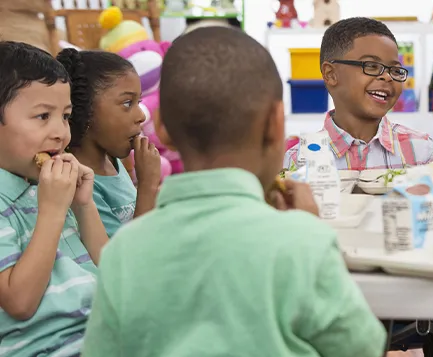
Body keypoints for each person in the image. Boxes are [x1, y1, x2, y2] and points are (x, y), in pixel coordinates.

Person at [81, 27, 387, 357]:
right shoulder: (303, 240)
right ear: (275, 123)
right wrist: (309, 229)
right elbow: (363, 347)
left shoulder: (122, 253)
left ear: (162, 127)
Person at [0, 41, 108, 356]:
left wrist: (83, 206)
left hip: (102, 336)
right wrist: (52, 212)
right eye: (43, 116)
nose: (61, 132)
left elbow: (114, 273)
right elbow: (20, 303)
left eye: (65, 116)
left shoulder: (46, 187)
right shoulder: (40, 200)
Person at [284, 17, 433, 170]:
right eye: (371, 66)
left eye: (395, 70)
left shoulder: (420, 150)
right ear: (330, 74)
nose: (388, 76)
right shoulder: (298, 160)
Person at [56, 49, 162, 237]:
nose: (142, 115)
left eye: (139, 101)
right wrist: (148, 186)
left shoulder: (113, 161)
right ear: (86, 109)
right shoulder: (79, 183)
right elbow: (124, 258)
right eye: (128, 103)